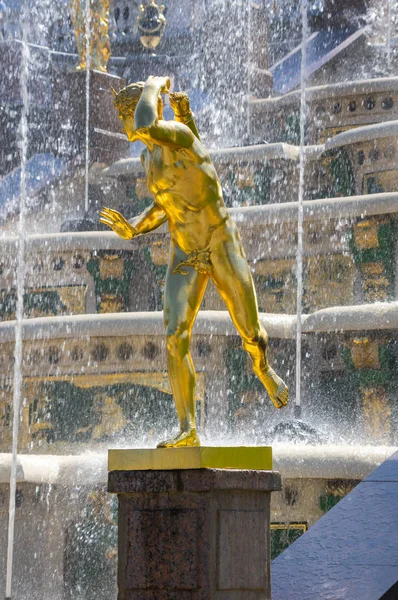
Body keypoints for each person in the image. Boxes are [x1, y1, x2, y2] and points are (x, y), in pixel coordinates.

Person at [100, 76, 288, 448]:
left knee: (251, 331)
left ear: (145, 107)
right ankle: (188, 429)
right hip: (184, 252)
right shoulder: (149, 157)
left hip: (219, 243)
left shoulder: (182, 137)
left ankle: (262, 366)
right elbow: (164, 205)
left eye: (125, 112)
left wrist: (152, 85)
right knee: (174, 336)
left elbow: (145, 125)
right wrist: (134, 227)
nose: (124, 123)